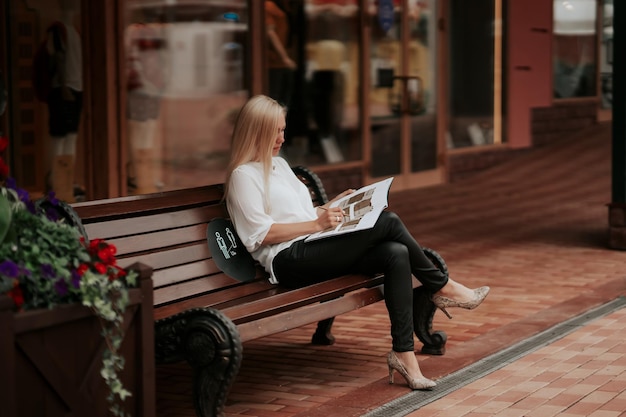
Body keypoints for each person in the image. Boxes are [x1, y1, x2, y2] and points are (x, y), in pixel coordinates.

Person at [224, 95, 490, 390]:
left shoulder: (279, 165)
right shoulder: (242, 176)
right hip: (286, 260)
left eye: (283, 129)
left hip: (312, 245)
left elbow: (298, 215)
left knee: (395, 252)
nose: (281, 138)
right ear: (256, 131)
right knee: (388, 222)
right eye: (275, 131)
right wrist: (315, 224)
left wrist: (329, 208)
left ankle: (404, 353)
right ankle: (441, 285)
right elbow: (260, 234)